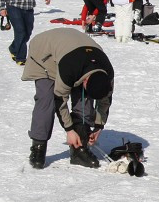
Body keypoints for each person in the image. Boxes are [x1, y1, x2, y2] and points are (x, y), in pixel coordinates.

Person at [22, 28, 114, 169]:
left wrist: (99, 126)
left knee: (85, 99)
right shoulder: (69, 68)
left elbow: (105, 100)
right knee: (46, 100)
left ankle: (79, 150)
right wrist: (69, 130)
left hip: (76, 53)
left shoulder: (107, 73)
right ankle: (38, 147)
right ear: (85, 81)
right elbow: (60, 99)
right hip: (45, 54)